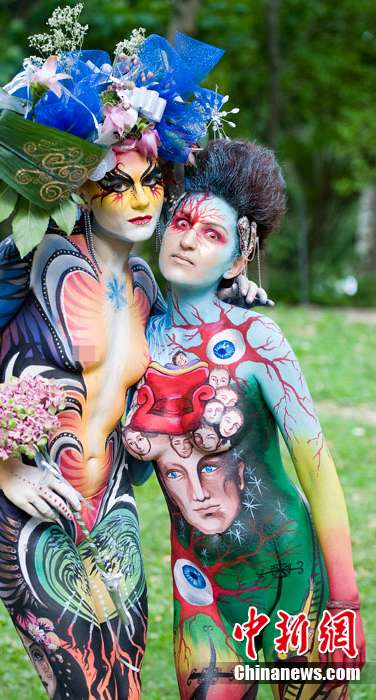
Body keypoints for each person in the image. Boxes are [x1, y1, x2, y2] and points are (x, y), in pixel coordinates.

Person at [0, 20, 258, 699]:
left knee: (123, 682)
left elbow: (183, 354)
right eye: (114, 183)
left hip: (113, 506)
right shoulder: (29, 256)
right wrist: (7, 470)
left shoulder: (146, 287)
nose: (139, 199)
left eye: (151, 181)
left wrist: (230, 285)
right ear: (78, 186)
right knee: (81, 686)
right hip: (33, 507)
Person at [125, 139, 365, 699]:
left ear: (236, 261)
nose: (188, 239)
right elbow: (133, 473)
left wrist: (345, 599)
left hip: (292, 579)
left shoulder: (259, 338)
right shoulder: (134, 343)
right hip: (200, 585)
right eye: (182, 223)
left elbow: (316, 467)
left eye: (212, 234)